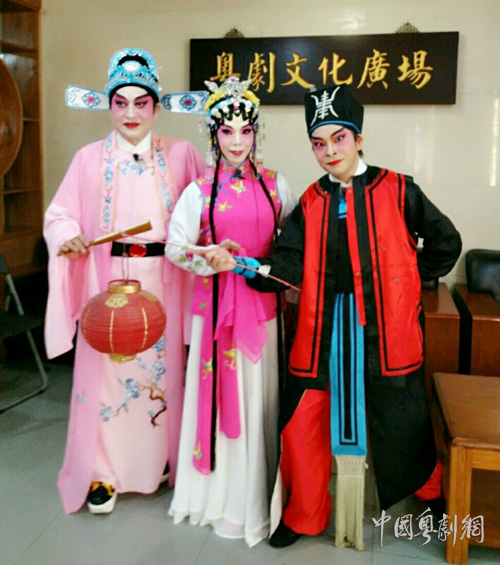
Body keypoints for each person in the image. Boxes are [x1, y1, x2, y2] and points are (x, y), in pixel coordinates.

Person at [204, 84, 462, 549]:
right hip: (323, 327)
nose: (329, 151)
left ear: (358, 139)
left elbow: (446, 242)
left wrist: (406, 280)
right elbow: (286, 263)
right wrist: (240, 264)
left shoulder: (399, 189)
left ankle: (429, 490)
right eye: (318, 143)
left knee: (402, 413)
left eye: (339, 139)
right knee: (304, 416)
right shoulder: (311, 201)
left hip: (384, 329)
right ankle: (304, 514)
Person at [44, 48, 205, 514]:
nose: (131, 113)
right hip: (107, 279)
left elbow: (208, 208)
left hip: (164, 279)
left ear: (156, 105)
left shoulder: (182, 154)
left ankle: (161, 462)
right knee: (109, 375)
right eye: (121, 103)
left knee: (163, 371)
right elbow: (59, 214)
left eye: (141, 102)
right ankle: (103, 472)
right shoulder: (88, 158)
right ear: (109, 105)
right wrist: (68, 236)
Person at [165, 77, 296, 547]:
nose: (237, 142)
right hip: (215, 309)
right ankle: (216, 498)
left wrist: (267, 266)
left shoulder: (277, 184)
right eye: (227, 131)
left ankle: (258, 495)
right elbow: (175, 247)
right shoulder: (199, 190)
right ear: (213, 134)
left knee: (259, 398)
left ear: (256, 132)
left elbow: (292, 247)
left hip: (261, 307)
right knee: (218, 398)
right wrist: (209, 256)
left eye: (245, 131)